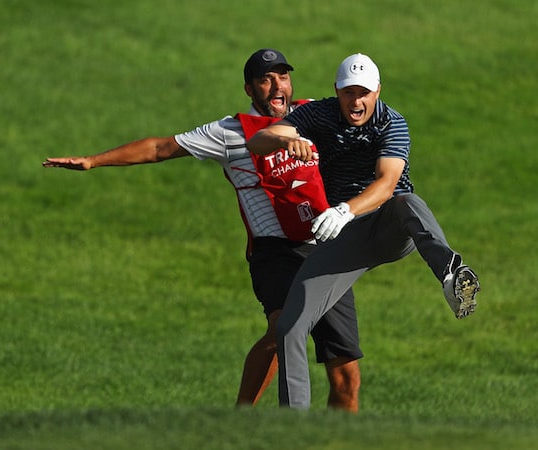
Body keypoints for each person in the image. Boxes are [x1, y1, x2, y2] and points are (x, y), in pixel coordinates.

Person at [43, 49, 362, 412]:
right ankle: (240, 420)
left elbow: (361, 118)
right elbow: (161, 147)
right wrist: (93, 161)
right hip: (273, 251)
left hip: (324, 247)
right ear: (249, 89)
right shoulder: (230, 132)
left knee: (346, 376)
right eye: (265, 79)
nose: (277, 85)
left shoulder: (313, 115)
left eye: (283, 76)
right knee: (281, 331)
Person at [247, 53, 481, 409]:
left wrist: (346, 209)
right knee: (289, 328)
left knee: (407, 202)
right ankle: (292, 428)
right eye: (348, 92)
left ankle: (451, 273)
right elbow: (259, 141)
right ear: (336, 91)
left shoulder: (392, 122)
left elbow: (387, 185)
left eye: (364, 93)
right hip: (345, 239)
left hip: (389, 228)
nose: (356, 102)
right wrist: (283, 140)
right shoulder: (319, 114)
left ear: (377, 92)